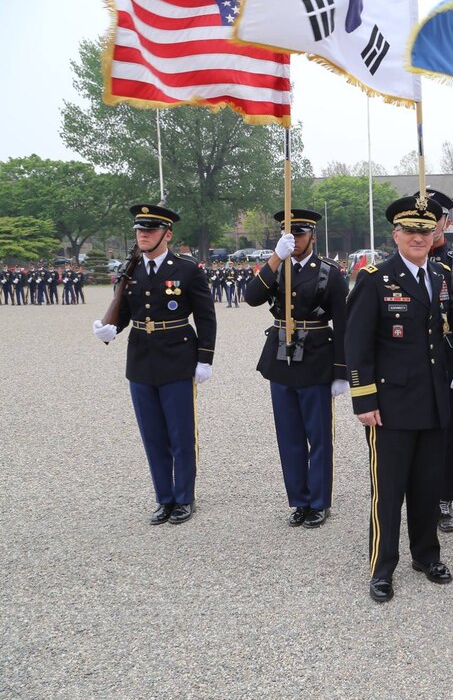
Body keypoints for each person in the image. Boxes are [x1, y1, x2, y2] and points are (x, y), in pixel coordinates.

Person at [346, 194, 453, 603]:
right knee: (388, 492)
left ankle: (426, 556)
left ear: (435, 233)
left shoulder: (440, 276)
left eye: (425, 230)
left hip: (432, 401)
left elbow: (442, 334)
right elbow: (356, 345)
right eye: (410, 230)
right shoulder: (375, 278)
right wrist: (363, 399)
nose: (418, 237)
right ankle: (381, 566)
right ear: (396, 234)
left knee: (428, 487)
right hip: (389, 405)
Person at [91, 204, 216, 524]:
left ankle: (184, 497)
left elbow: (205, 317)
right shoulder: (130, 269)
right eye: (139, 230)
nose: (143, 234)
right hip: (141, 360)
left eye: (150, 229)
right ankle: (164, 498)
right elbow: (124, 312)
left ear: (167, 234)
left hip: (176, 357)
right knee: (153, 435)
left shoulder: (187, 269)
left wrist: (205, 359)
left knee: (180, 433)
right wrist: (111, 329)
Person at [244, 209, 349, 528]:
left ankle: (319, 502)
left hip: (316, 358)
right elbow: (251, 297)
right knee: (289, 436)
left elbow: (344, 324)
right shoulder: (277, 266)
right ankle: (299, 500)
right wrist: (276, 258)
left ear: (312, 237)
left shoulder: (329, 273)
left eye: (299, 235)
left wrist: (341, 371)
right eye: (288, 235)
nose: (294, 240)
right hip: (280, 359)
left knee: (318, 437)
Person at [417, 187, 453, 534]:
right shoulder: (405, 261)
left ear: (446, 222)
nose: (429, 225)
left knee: (448, 430)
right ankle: (418, 493)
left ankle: (445, 497)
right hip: (411, 359)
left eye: (434, 218)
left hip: (448, 360)